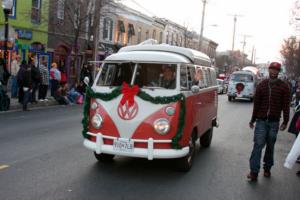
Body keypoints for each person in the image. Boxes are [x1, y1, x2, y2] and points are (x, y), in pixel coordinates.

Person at [247, 62, 290, 181]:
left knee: (270, 146)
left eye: (276, 70)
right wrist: (252, 120)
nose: (273, 72)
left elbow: (286, 106)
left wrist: (285, 121)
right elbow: (256, 105)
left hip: (274, 122)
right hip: (261, 121)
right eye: (272, 69)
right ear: (269, 70)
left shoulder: (284, 87)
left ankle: (267, 168)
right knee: (258, 145)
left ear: (279, 72)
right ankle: (254, 172)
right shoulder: (261, 85)